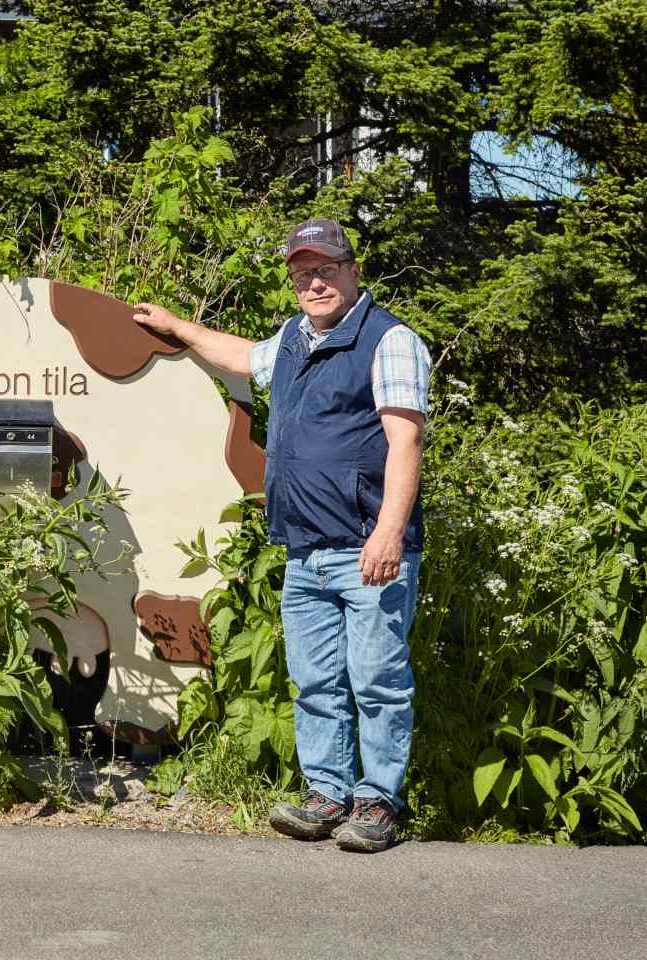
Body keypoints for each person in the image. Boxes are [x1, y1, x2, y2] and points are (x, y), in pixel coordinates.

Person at [134, 218, 431, 852]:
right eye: (302, 275)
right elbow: (244, 357)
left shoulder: (390, 341)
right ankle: (327, 796)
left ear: (353, 271)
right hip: (305, 553)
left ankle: (377, 804)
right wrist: (181, 329)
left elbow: (406, 442)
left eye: (325, 270)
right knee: (317, 682)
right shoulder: (296, 339)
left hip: (367, 549)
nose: (314, 283)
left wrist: (387, 534)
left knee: (377, 682)